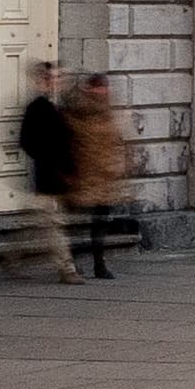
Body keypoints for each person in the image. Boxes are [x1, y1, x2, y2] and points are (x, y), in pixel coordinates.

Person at [62, 71, 132, 282]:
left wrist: (122, 166)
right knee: (75, 222)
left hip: (104, 177)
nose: (105, 91)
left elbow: (119, 142)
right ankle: (73, 262)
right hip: (83, 177)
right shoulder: (79, 113)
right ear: (91, 89)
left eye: (106, 87)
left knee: (99, 222)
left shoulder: (109, 113)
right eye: (100, 87)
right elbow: (72, 144)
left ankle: (98, 264)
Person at [16, 60, 81, 282]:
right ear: (41, 81)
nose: (56, 82)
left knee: (33, 224)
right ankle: (67, 269)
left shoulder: (61, 106)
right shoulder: (37, 108)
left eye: (58, 78)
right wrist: (48, 160)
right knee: (54, 225)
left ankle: (12, 258)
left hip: (61, 178)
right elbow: (26, 141)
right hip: (48, 177)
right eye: (51, 78)